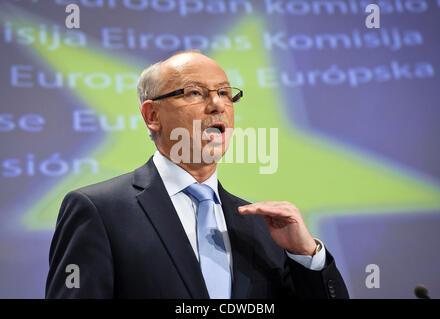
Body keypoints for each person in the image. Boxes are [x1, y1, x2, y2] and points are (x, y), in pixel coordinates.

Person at [45, 50, 349, 299]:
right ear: (152, 116)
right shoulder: (100, 210)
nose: (217, 104)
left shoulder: (262, 229)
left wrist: (307, 256)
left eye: (225, 93)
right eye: (194, 92)